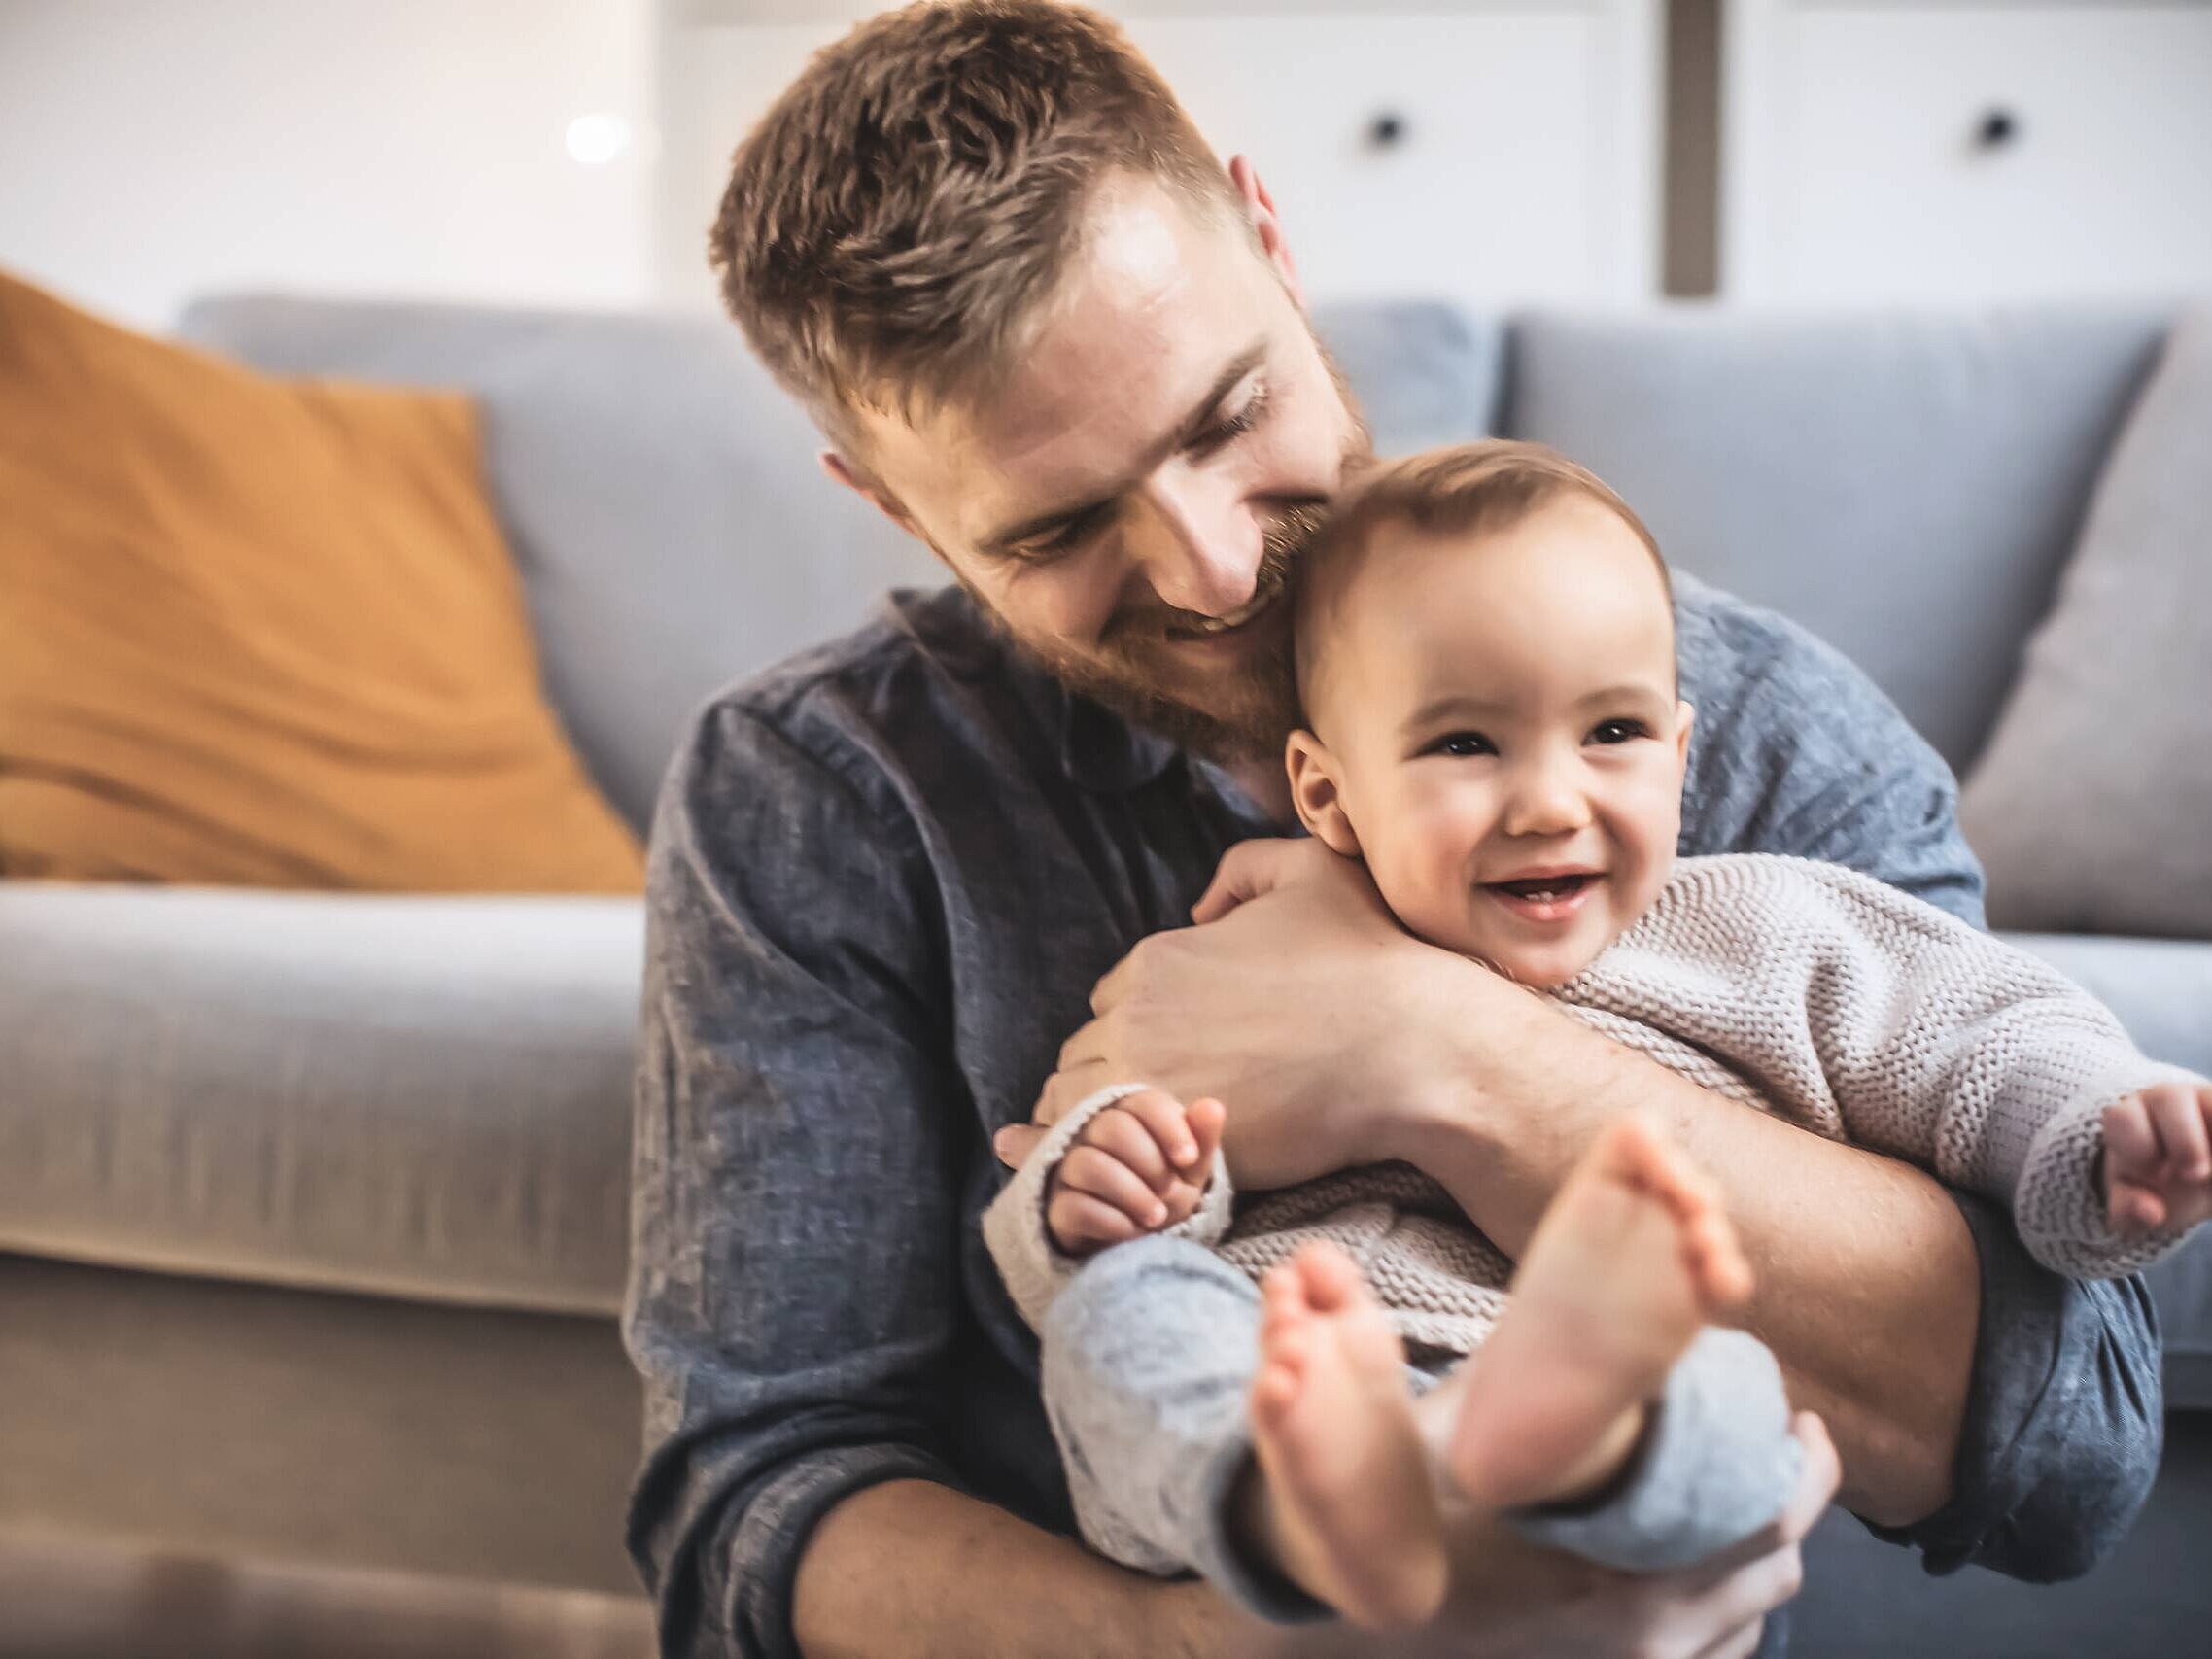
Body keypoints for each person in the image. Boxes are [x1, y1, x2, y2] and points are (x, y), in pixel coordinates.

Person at [621, 5, 2162, 1657]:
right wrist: (1214, 1646)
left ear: (1270, 240)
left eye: (1227, 416)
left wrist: (1426, 1048)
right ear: (888, 499)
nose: (1211, 569)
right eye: (1061, 525)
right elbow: (758, 1502)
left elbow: (2069, 1443)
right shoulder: (816, 792)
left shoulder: (1751, 723)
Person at [981, 440, 2211, 1634]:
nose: (1549, 801)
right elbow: (1098, 1215)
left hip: (1622, 1408)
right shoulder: (1241, 972)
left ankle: (1568, 1441)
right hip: (1311, 1397)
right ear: (1324, 792)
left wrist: (2095, 1134)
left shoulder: (1762, 929)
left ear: (1682, 757)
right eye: (1463, 745)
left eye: (1611, 734)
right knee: (1123, 1324)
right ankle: (1311, 1514)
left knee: (1732, 1386)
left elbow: (1976, 1037)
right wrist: (1115, 1184)